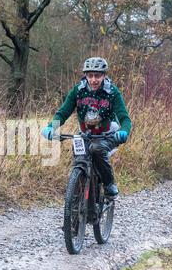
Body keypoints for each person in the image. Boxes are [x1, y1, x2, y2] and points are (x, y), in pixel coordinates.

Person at [41, 57, 131, 198]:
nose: (93, 80)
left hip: (107, 134)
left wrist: (124, 131)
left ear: (104, 75)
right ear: (86, 75)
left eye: (97, 76)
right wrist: (52, 127)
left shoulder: (112, 92)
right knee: (80, 158)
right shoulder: (78, 91)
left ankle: (109, 184)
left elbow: (124, 118)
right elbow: (62, 113)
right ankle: (77, 198)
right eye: (90, 76)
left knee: (97, 149)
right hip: (85, 134)